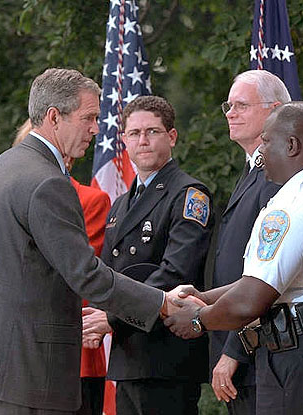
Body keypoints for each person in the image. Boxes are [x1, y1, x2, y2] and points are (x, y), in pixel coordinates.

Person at [0, 68, 177, 415]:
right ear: (54, 117)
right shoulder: (47, 183)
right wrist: (161, 303)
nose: (97, 129)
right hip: (30, 374)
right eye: (89, 118)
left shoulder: (4, 165)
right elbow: (86, 275)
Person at [164, 101, 303, 415]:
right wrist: (204, 297)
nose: (260, 152)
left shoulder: (294, 206)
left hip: (293, 358)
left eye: (266, 142)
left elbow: (250, 301)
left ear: (292, 145)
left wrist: (200, 320)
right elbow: (261, 281)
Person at [81, 95, 213, 415]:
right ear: (124, 139)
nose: (142, 140)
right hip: (130, 357)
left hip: (167, 359)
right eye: (134, 133)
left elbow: (175, 273)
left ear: (172, 137)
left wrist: (110, 319)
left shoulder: (189, 195)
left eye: (152, 132)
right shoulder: (121, 205)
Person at [13, 119, 112, 415]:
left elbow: (81, 271)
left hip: (74, 345)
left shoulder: (90, 200)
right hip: (23, 347)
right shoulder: (11, 196)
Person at [210, 70, 288, 414]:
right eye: (229, 105)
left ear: (273, 111)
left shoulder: (277, 173)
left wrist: (233, 350)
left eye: (241, 105)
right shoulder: (253, 170)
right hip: (247, 354)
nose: (230, 112)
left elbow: (268, 276)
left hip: (261, 356)